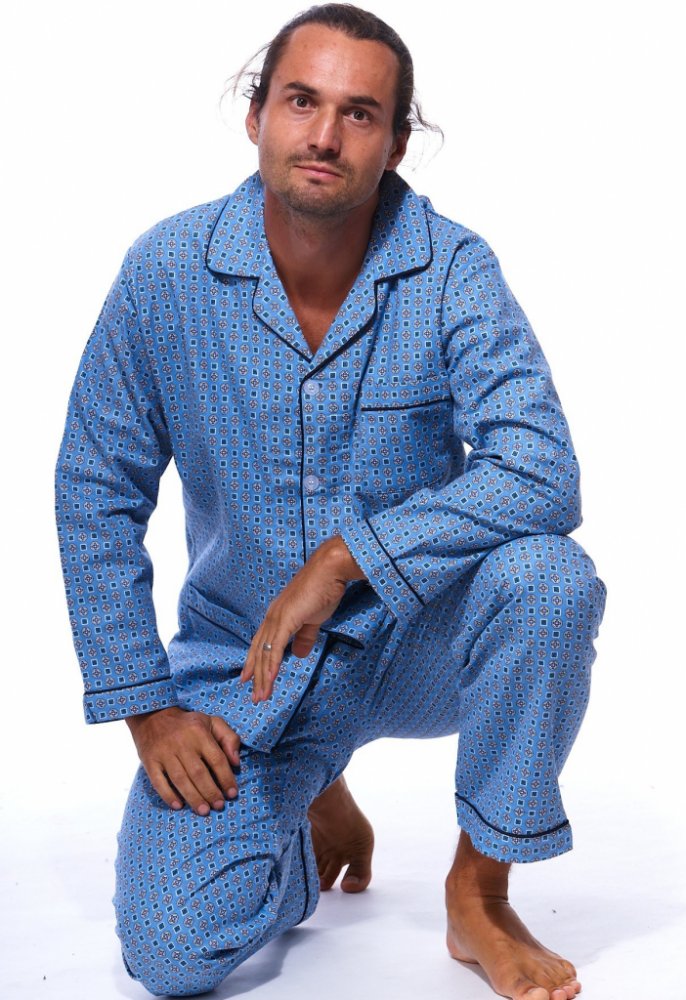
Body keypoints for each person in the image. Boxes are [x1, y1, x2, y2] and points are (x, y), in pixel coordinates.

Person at [54, 5, 607, 999]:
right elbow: (96, 486)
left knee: (549, 579)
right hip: (250, 664)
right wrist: (144, 706)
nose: (323, 135)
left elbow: (540, 469)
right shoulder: (166, 272)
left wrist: (346, 559)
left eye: (359, 114)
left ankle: (479, 893)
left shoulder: (451, 269)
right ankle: (313, 813)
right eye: (301, 101)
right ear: (256, 114)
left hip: (417, 638)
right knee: (172, 953)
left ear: (396, 142)